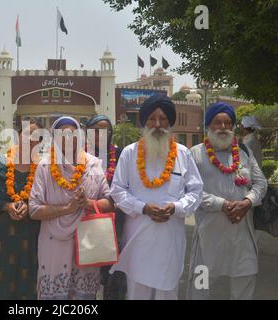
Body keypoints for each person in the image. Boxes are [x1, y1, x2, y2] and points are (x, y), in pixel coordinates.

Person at [109, 94, 204, 300]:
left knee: (167, 292)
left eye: (163, 119)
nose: (158, 124)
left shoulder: (182, 153)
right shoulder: (129, 153)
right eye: (152, 118)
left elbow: (196, 191)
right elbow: (117, 190)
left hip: (170, 240)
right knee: (138, 293)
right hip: (138, 239)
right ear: (144, 122)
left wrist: (177, 207)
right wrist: (142, 207)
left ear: (170, 121)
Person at [187, 103, 267, 300]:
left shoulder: (245, 152)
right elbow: (190, 191)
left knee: (245, 281)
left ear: (233, 127)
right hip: (208, 238)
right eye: (217, 122)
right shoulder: (195, 154)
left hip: (241, 237)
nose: (223, 127)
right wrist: (222, 204)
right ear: (208, 126)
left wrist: (247, 202)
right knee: (200, 287)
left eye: (228, 123)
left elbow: (261, 183)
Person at [29, 116, 113, 300]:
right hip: (54, 242)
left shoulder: (93, 165)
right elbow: (34, 210)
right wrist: (67, 208)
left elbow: (109, 201)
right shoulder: (44, 167)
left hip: (87, 241)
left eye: (72, 133)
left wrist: (89, 204)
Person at [0, 119, 43, 300]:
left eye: (36, 137)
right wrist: (5, 206)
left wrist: (30, 206)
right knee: (1, 285)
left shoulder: (43, 170)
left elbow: (48, 199)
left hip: (32, 238)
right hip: (3, 239)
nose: (31, 139)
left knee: (29, 284)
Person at [85, 114, 126, 300]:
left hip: (116, 222)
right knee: (86, 272)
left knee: (114, 275)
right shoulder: (78, 155)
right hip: (85, 219)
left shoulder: (121, 155)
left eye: (106, 130)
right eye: (96, 130)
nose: (101, 134)